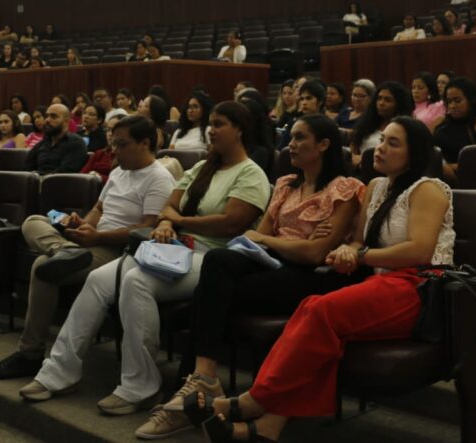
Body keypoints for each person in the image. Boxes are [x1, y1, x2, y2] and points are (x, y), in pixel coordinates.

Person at [188, 116, 453, 442]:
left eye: (392, 143)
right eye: (382, 139)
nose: (380, 148)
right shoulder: (375, 187)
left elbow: (420, 250)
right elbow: (358, 240)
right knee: (314, 310)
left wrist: (359, 255)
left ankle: (253, 400)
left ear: (415, 154)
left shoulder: (428, 188)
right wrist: (345, 251)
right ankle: (268, 427)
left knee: (320, 312)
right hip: (381, 281)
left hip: (419, 286)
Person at [20, 102, 271, 415]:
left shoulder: (251, 174)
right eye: (212, 123)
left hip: (213, 258)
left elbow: (230, 223)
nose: (211, 129)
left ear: (239, 130)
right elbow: (168, 209)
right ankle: (59, 372)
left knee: (136, 281)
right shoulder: (199, 169)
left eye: (219, 124)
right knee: (98, 279)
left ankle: (140, 386)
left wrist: (177, 221)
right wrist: (168, 222)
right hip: (175, 248)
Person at [137, 115, 365, 439]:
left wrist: (275, 242)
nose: (291, 145)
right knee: (216, 264)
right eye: (293, 137)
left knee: (210, 293)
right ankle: (201, 379)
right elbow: (254, 238)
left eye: (301, 138)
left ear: (324, 144)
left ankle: (191, 390)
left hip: (309, 276)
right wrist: (290, 242)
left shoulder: (346, 188)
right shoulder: (286, 184)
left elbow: (314, 254)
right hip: (273, 265)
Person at [0, 115, 175, 381]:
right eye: (113, 143)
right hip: (90, 242)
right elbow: (99, 208)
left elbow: (147, 228)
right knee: (32, 221)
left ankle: (30, 353)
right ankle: (64, 249)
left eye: (121, 144)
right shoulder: (118, 172)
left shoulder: (159, 178)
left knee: (42, 267)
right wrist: (82, 224)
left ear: (145, 143)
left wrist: (97, 237)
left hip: (117, 250)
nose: (114, 150)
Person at [432, 77, 476, 183]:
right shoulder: (439, 122)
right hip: (436, 176)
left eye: (457, 101)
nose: (452, 106)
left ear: (472, 100)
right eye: (449, 101)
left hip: (467, 178)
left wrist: (447, 167)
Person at [350, 81, 413, 168]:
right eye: (379, 98)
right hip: (361, 171)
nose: (381, 103)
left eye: (388, 100)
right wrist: (354, 158)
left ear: (398, 104)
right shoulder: (366, 123)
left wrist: (366, 160)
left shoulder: (406, 128)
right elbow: (353, 149)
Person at [25, 104, 87, 175]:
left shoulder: (76, 143)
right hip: (36, 182)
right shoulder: (44, 143)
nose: (47, 120)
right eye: (47, 116)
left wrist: (38, 177)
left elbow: (65, 173)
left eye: (53, 116)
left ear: (66, 121)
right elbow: (27, 167)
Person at [81, 116, 119, 182]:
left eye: (114, 130)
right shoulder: (99, 153)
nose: (110, 134)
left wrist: (99, 177)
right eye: (108, 130)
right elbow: (81, 175)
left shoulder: (127, 157)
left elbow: (121, 181)